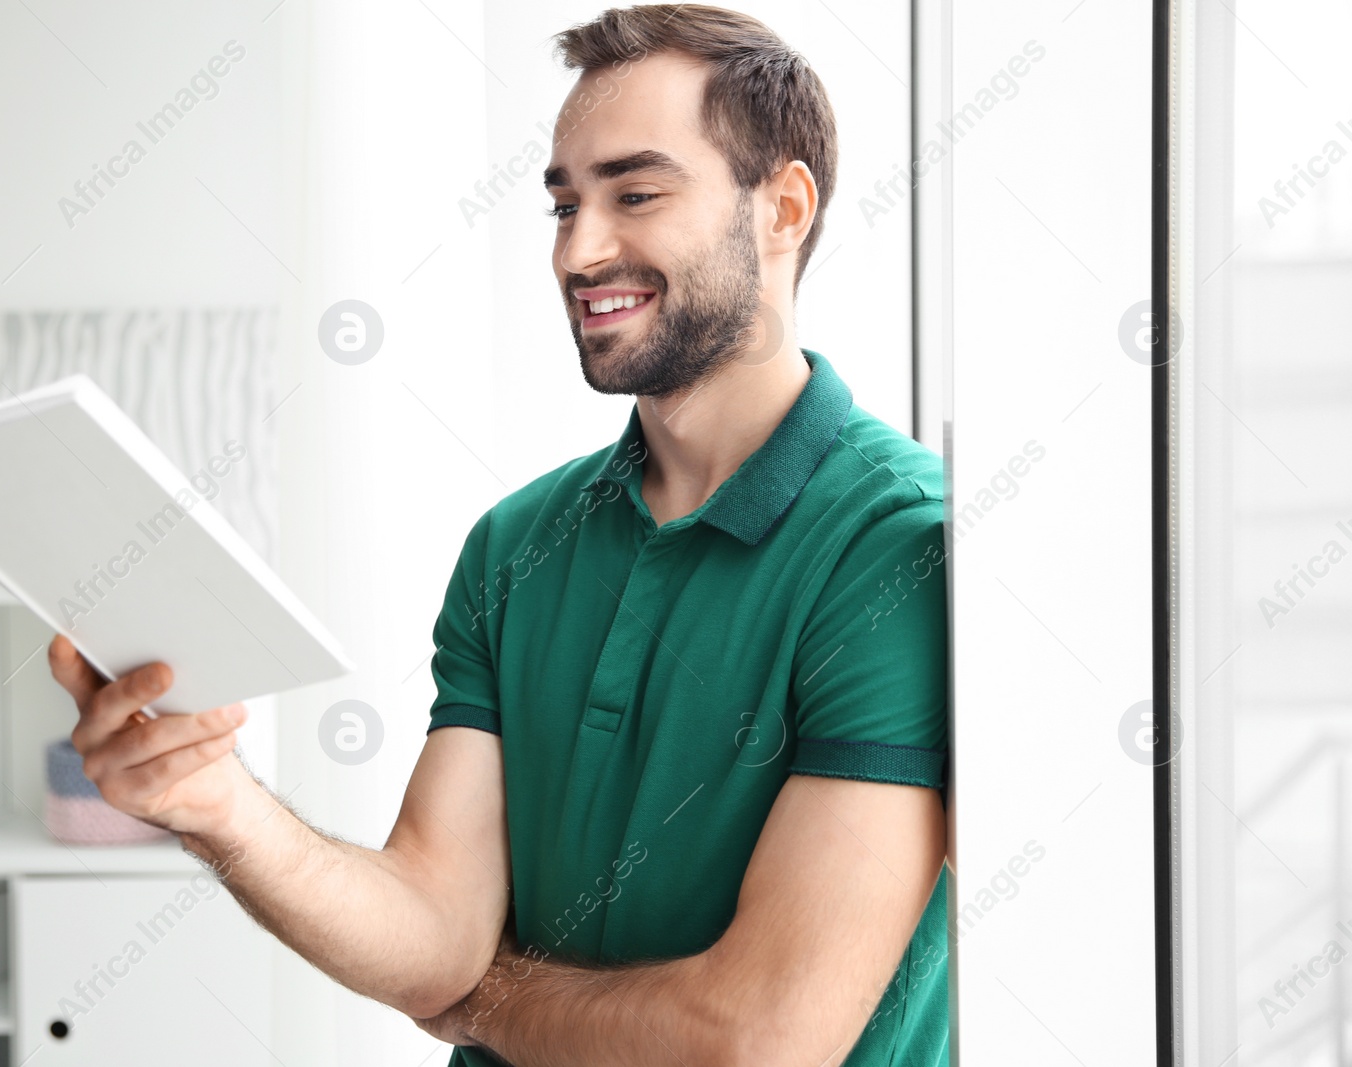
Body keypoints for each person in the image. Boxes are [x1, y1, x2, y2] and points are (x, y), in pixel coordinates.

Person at [49, 5, 950, 1064]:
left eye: (637, 193)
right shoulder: (516, 542)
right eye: (563, 204)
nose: (580, 248)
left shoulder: (901, 547)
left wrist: (487, 1004)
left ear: (782, 208)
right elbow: (435, 930)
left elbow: (756, 1035)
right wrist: (219, 806)